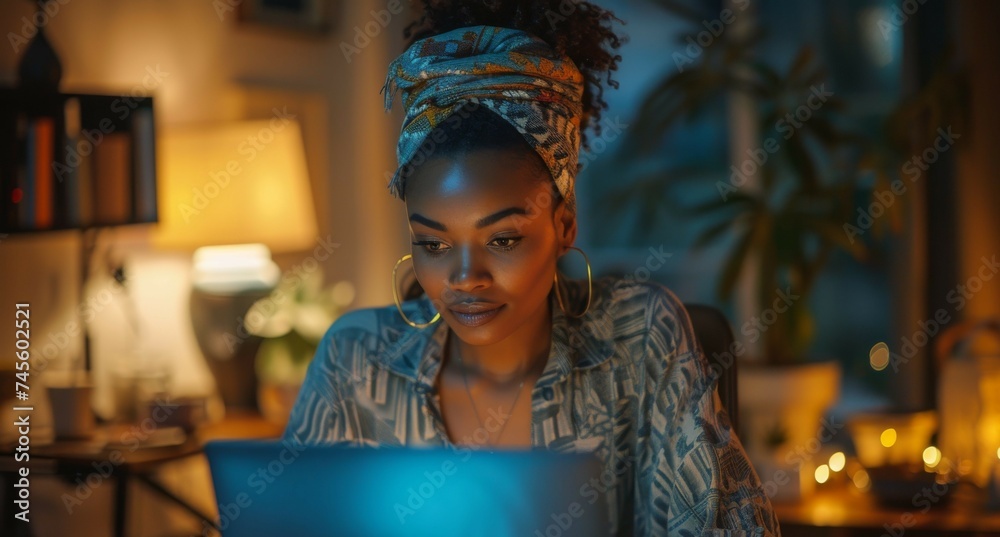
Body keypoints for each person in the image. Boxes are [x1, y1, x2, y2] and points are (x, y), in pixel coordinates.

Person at [284, 1, 780, 535]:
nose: (464, 278)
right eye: (433, 243)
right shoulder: (353, 363)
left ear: (564, 225)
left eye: (502, 239)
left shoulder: (640, 338)